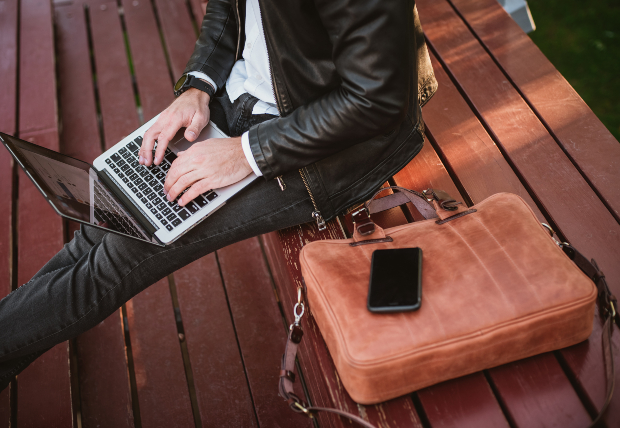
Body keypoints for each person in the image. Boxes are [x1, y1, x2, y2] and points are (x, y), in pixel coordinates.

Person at [0, 0, 437, 390]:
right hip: (241, 104)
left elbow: (377, 98)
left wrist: (247, 153)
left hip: (330, 151)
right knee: (104, 219)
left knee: (115, 257)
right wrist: (197, 87)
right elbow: (227, 8)